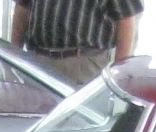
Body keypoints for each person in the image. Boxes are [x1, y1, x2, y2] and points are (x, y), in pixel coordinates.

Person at [9, 0, 140, 85]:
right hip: (37, 61)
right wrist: (13, 58)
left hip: (82, 65)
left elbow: (127, 17)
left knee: (78, 124)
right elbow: (22, 8)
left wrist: (119, 72)